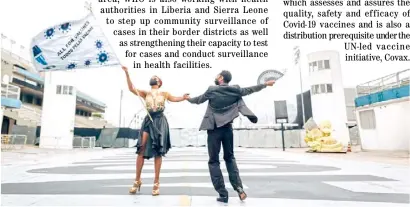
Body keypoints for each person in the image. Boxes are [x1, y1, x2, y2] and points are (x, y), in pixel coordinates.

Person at [185, 70, 275, 203]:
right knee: (229, 158)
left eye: (217, 75)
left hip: (214, 129)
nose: (216, 77)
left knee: (214, 161)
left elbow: (198, 100)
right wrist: (265, 84)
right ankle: (239, 188)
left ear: (221, 78)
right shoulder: (236, 90)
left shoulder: (212, 90)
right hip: (228, 129)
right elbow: (250, 89)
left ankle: (223, 193)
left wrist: (187, 99)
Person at [122, 66, 188, 196]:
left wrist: (183, 97)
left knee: (158, 151)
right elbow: (131, 88)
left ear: (159, 83)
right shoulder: (145, 93)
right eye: (153, 77)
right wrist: (127, 73)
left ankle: (156, 183)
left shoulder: (164, 93)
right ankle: (137, 180)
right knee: (141, 148)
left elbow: (175, 99)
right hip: (148, 120)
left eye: (156, 77)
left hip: (159, 120)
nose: (154, 77)